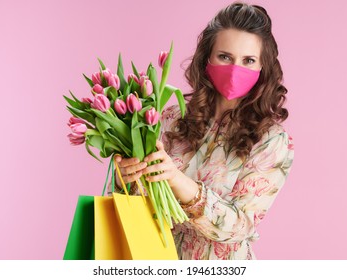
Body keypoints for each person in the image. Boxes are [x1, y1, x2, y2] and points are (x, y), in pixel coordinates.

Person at [113, 2, 294, 260]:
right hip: (154, 260)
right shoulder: (171, 119)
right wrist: (125, 179)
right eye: (225, 57)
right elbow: (135, 206)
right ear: (206, 58)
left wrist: (177, 180)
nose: (235, 69)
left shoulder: (271, 141)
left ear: (263, 68)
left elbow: (240, 226)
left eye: (249, 60)